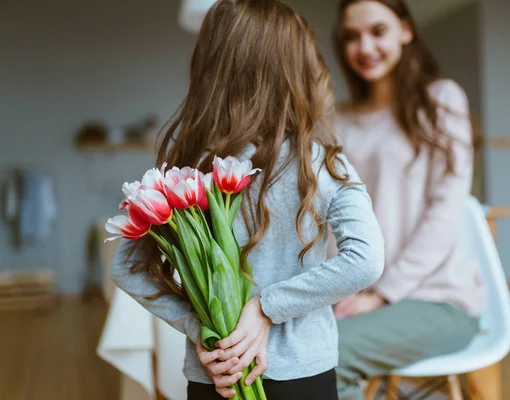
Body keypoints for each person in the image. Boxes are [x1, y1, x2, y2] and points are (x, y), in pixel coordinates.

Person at [109, 1, 385, 399]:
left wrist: (203, 328)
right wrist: (266, 308)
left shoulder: (187, 166)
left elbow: (126, 268)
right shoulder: (319, 161)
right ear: (296, 72)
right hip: (303, 374)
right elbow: (366, 260)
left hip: (215, 373)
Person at [330, 1, 486, 399]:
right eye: (352, 36)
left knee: (326, 355)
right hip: (360, 296)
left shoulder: (441, 100)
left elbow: (446, 213)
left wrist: (382, 294)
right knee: (289, 349)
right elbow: (333, 215)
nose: (365, 47)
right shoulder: (336, 119)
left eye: (377, 31)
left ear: (405, 30)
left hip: (437, 298)